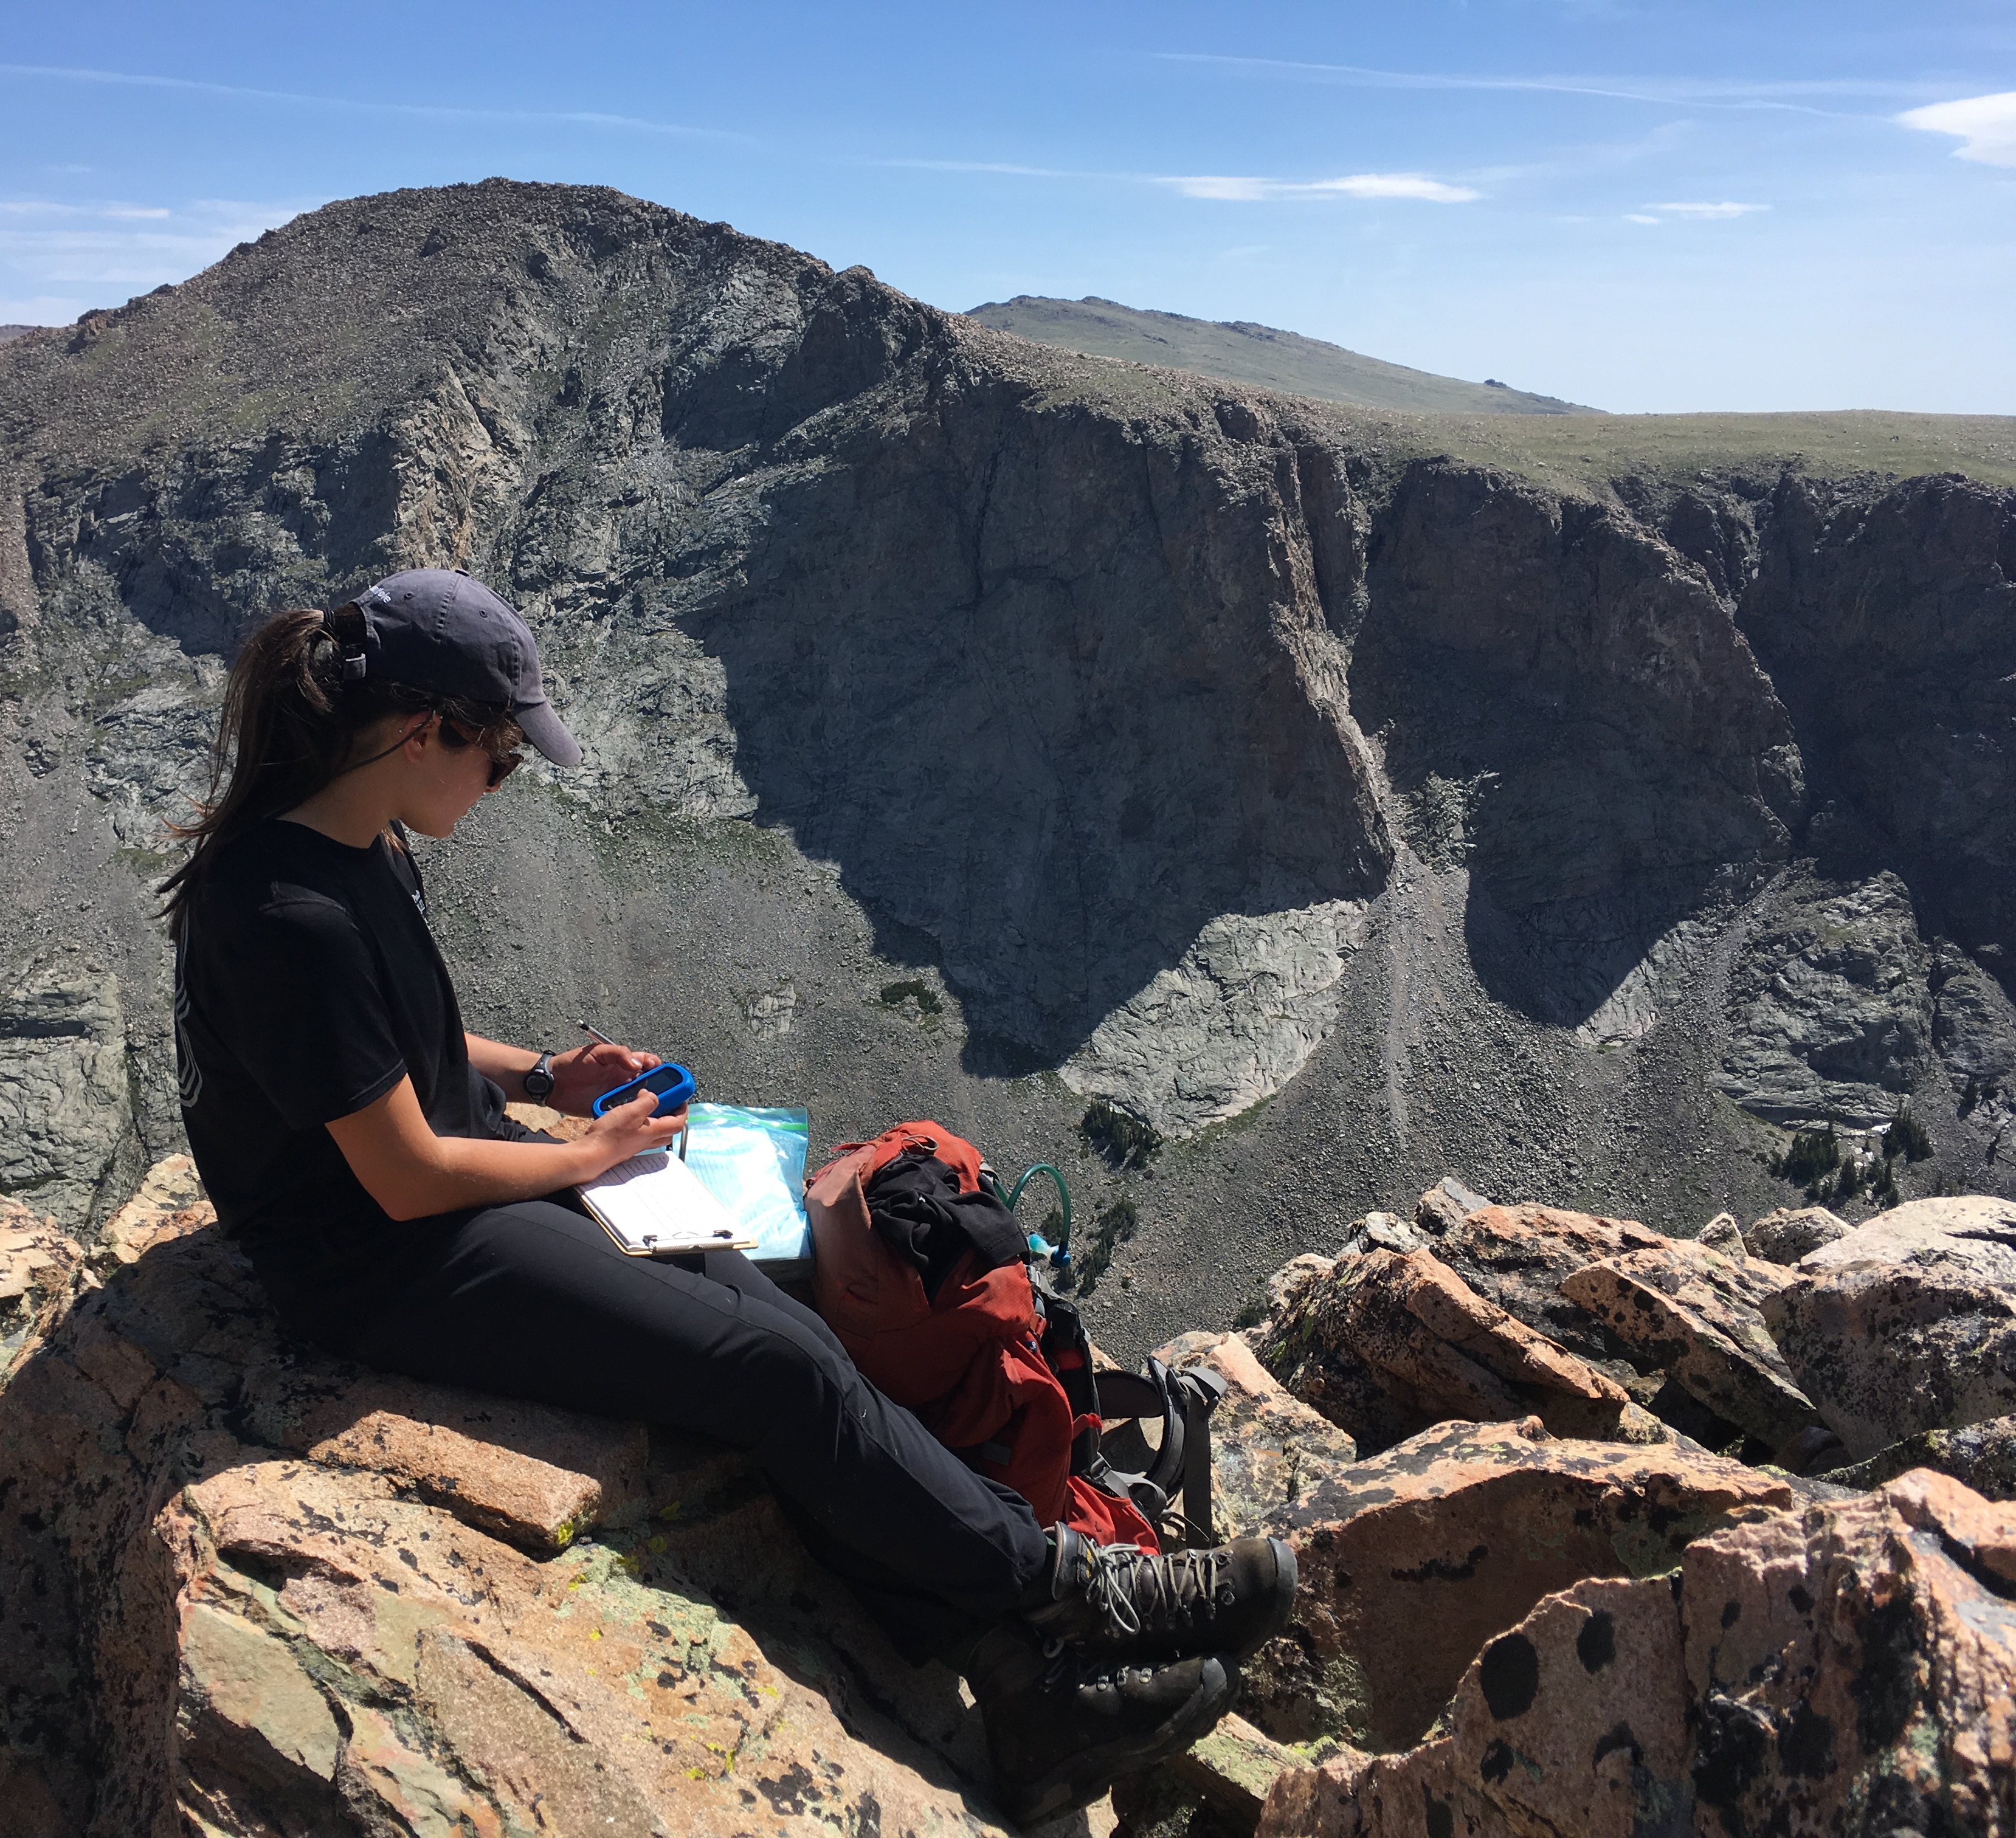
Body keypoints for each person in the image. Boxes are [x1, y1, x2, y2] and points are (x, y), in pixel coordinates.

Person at [159, 568, 1297, 1823]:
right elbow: (400, 1168)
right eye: (501, 759)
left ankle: (1029, 1694)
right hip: (380, 1260)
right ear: (425, 729)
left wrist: (544, 1072)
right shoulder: (286, 909)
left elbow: (387, 1053)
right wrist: (588, 1158)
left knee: (783, 1316)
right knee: (775, 1377)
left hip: (460, 1193)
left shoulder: (353, 842)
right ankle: (1080, 1592)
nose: (500, 785)